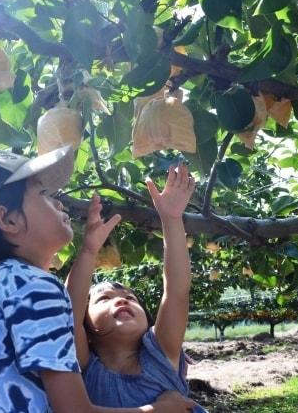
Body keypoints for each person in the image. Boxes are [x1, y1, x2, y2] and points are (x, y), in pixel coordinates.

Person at [0, 145, 195, 412]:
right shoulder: (35, 287)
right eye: (43, 194)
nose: (60, 203)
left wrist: (91, 249)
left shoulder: (2, 283)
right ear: (8, 219)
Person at [66, 163, 207, 412]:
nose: (121, 300)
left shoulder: (161, 352)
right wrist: (88, 250)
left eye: (130, 297)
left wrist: (171, 219)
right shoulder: (86, 368)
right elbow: (69, 312)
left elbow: (176, 290)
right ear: (87, 329)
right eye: (104, 299)